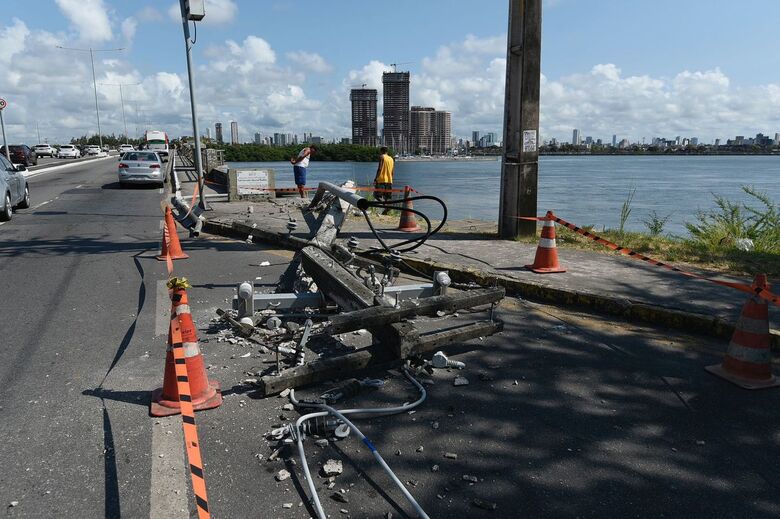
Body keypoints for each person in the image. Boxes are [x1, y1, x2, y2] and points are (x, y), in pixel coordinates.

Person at [374, 146, 395, 214]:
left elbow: (379, 168)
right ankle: (386, 211)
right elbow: (392, 171)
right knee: (387, 197)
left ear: (381, 151)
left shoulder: (382, 157)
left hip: (381, 180)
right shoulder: (391, 159)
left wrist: (376, 178)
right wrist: (391, 179)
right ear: (387, 151)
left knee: (376, 195)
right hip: (389, 180)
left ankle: (386, 207)